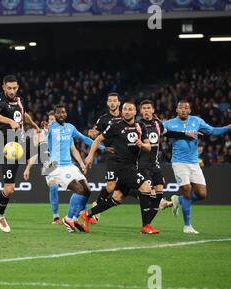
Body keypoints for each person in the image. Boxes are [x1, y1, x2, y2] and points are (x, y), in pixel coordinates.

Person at [83, 102, 159, 234]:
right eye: (125, 109)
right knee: (146, 188)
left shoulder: (140, 126)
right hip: (122, 167)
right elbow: (98, 139)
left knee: (117, 198)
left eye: (130, 109)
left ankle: (87, 214)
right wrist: (90, 156)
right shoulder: (115, 126)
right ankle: (146, 226)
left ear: (135, 112)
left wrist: (142, 144)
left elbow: (148, 146)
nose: (127, 112)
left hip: (132, 166)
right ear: (122, 112)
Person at [24, 110, 104, 227]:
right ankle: (56, 216)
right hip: (49, 165)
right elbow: (36, 153)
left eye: (53, 120)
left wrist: (81, 163)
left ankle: (82, 213)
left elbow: (73, 150)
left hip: (64, 164)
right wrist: (28, 168)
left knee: (80, 188)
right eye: (50, 120)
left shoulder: (65, 132)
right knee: (54, 187)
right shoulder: (41, 134)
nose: (51, 122)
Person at [164, 100, 231, 234]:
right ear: (176, 110)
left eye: (186, 108)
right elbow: (157, 131)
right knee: (187, 189)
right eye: (181, 108)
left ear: (190, 110)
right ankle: (187, 226)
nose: (183, 110)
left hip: (194, 163)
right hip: (179, 162)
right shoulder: (169, 123)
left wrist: (228, 128)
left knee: (202, 194)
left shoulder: (197, 121)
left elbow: (213, 131)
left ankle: (178, 199)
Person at [0, 75, 40, 233]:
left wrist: (34, 125)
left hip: (22, 142)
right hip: (9, 147)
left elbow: (23, 115)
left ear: (18, 87)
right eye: (9, 88)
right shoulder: (0, 100)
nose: (11, 91)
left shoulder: (19, 100)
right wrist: (9, 121)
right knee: (9, 189)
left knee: (43, 144)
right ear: (3, 87)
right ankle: (0, 216)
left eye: (14, 88)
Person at [88, 93, 123, 205]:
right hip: (112, 155)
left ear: (119, 103)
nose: (112, 103)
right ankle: (97, 204)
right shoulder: (103, 119)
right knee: (111, 186)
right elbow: (95, 134)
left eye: (114, 100)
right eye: (110, 101)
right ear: (107, 103)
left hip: (128, 155)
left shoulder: (125, 116)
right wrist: (92, 134)